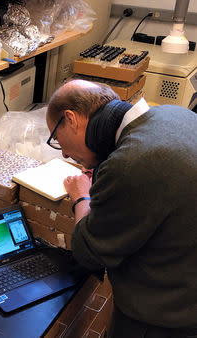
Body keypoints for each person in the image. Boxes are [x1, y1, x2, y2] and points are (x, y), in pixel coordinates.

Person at [45, 79, 197, 338]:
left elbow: (88, 252)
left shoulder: (130, 163)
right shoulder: (174, 113)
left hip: (163, 318)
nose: (65, 155)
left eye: (57, 139)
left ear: (71, 119)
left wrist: (81, 196)